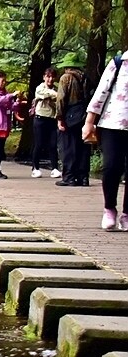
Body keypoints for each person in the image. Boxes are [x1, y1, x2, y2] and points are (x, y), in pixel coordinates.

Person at [83, 53, 127, 230]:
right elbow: (101, 92)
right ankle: (109, 208)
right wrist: (89, 122)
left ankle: (127, 213)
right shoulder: (119, 62)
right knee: (111, 167)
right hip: (112, 123)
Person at [56, 52, 93, 187]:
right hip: (84, 115)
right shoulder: (85, 78)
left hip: (70, 115)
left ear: (67, 66)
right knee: (83, 147)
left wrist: (59, 118)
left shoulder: (65, 78)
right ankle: (83, 177)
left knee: (68, 146)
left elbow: (61, 99)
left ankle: (69, 177)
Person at [30, 68, 61, 178]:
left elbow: (59, 100)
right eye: (48, 76)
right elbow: (45, 94)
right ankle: (35, 168)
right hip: (40, 119)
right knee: (39, 144)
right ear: (44, 77)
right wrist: (55, 94)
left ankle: (55, 168)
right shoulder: (40, 88)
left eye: (52, 77)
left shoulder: (57, 88)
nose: (50, 79)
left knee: (53, 144)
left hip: (52, 119)